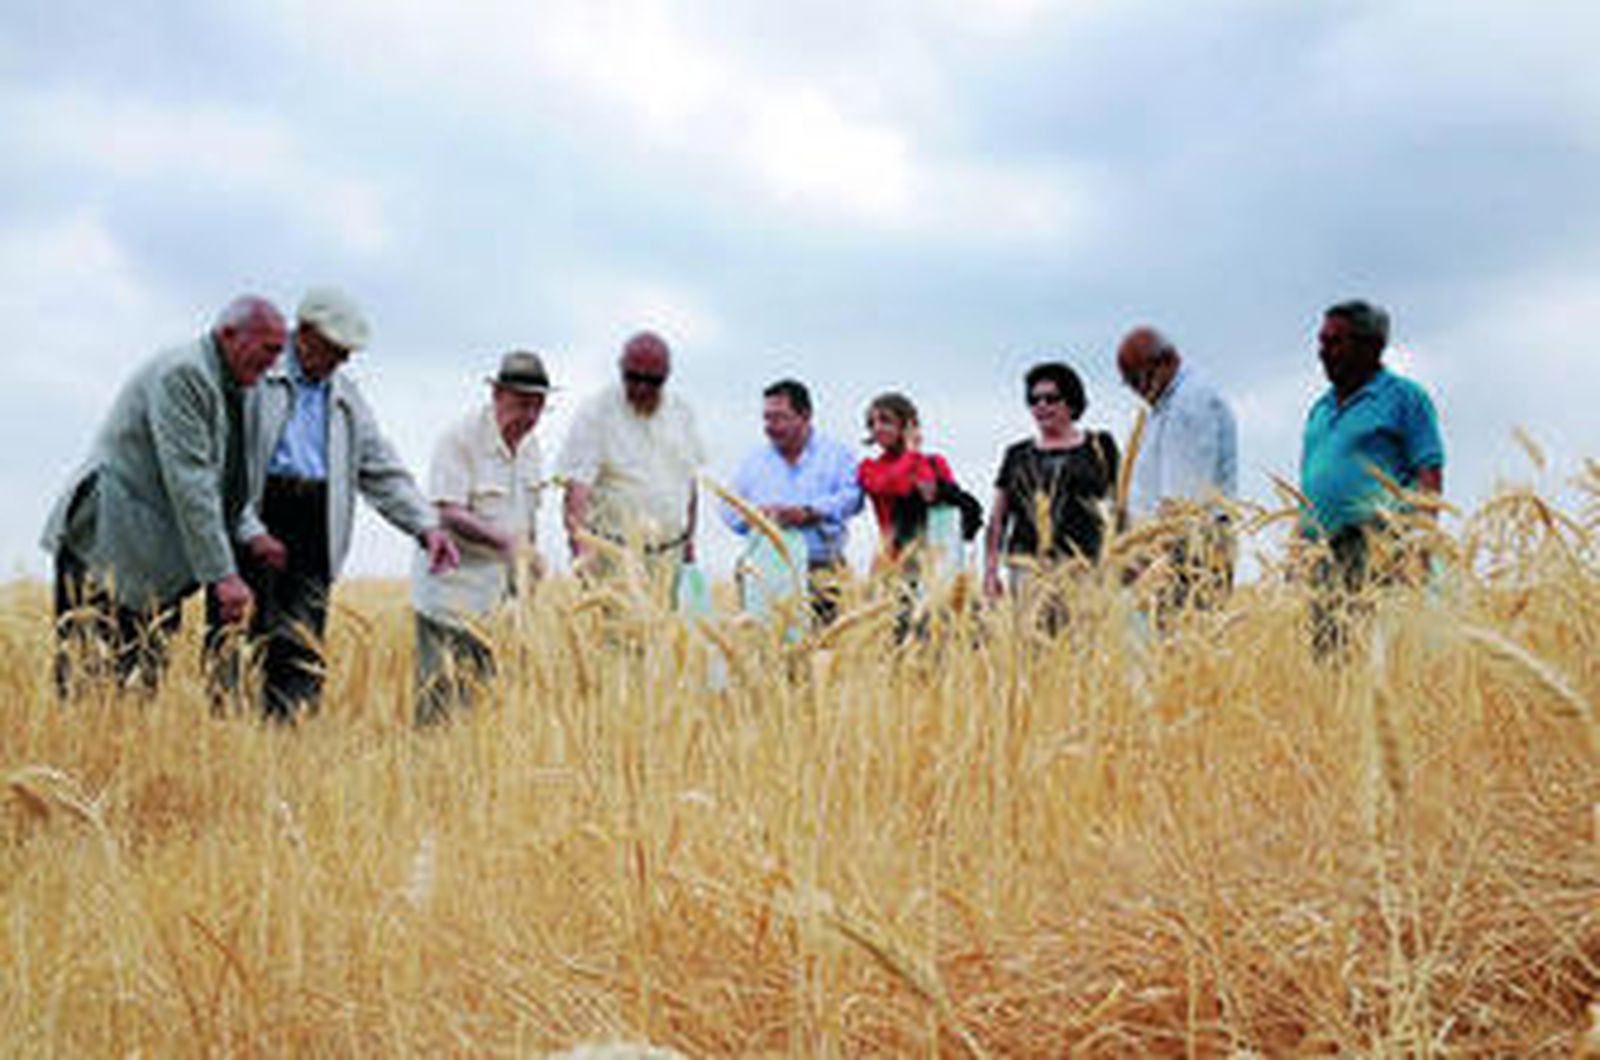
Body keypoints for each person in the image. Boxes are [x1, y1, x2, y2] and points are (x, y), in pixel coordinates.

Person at [232, 287, 458, 721]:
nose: (344, 359)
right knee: (238, 646)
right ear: (305, 334)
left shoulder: (346, 397)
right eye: (337, 348)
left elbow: (381, 468)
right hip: (260, 514)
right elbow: (229, 466)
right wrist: (248, 529)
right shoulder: (258, 378)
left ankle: (289, 753)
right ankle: (228, 748)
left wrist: (426, 525)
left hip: (315, 523)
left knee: (300, 652)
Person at [42, 296, 287, 695]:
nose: (274, 363)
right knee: (89, 684)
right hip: (108, 543)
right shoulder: (185, 374)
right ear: (229, 335)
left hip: (150, 557)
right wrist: (222, 575)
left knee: (138, 689)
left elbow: (223, 476)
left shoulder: (231, 383)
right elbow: (191, 480)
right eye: (269, 349)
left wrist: (249, 531)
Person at [411, 351, 554, 726]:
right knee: (440, 707)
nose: (531, 417)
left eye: (539, 407)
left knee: (484, 708)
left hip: (497, 604)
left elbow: (527, 516)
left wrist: (528, 566)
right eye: (523, 404)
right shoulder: (459, 439)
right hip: (450, 597)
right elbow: (448, 511)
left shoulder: (532, 449)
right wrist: (505, 543)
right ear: (498, 394)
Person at [1299, 300, 1443, 653]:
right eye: (1321, 342)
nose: (1323, 352)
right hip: (1324, 557)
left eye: (1335, 343)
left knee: (1374, 660)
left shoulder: (1405, 398)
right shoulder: (1319, 408)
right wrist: (1298, 548)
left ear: (1370, 347)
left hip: (1377, 549)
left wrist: (1418, 546)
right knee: (1329, 663)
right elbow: (1307, 484)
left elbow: (1430, 472)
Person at [556, 331, 706, 594]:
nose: (641, 388)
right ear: (620, 369)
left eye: (653, 381)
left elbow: (690, 484)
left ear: (667, 376)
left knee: (661, 634)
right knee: (614, 635)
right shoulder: (596, 412)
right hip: (613, 558)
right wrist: (582, 551)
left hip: (668, 558)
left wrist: (689, 542)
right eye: (633, 377)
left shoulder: (683, 413)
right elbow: (577, 490)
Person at [1116, 326, 1239, 613]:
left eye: (1138, 378)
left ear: (1167, 361)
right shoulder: (1166, 404)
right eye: (1129, 383)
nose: (1137, 390)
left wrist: (1138, 563)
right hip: (1173, 550)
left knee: (1184, 646)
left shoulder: (1189, 403)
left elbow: (1182, 506)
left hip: (1188, 554)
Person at [722, 379, 862, 623]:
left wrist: (810, 512)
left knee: (823, 652)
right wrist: (756, 515)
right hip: (762, 574)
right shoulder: (753, 461)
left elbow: (854, 497)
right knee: (764, 651)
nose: (770, 426)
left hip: (821, 570)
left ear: (805, 415)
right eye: (767, 418)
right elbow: (728, 509)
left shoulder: (837, 455)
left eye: (779, 417)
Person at [983, 361, 1119, 606]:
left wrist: (1125, 557)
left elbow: (1120, 504)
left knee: (1084, 639)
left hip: (1084, 566)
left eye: (1051, 398)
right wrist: (991, 571)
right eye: (1034, 400)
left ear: (1071, 401)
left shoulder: (1099, 446)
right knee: (1030, 640)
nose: (1041, 406)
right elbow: (998, 518)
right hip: (1028, 568)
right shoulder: (1017, 454)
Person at [858, 392, 978, 565]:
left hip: (937, 558)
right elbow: (893, 485)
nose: (877, 428)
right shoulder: (869, 468)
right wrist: (911, 453)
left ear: (907, 424)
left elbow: (950, 506)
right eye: (872, 423)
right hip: (893, 561)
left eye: (885, 420)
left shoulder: (935, 463)